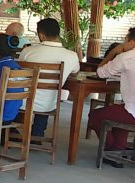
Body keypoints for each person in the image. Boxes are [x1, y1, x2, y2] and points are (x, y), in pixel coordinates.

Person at [18, 18, 79, 137]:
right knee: (46, 98)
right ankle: (37, 134)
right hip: (49, 104)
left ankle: (12, 132)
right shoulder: (72, 56)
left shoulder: (28, 51)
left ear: (41, 35)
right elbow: (75, 73)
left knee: (31, 93)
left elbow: (19, 71)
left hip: (21, 101)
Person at [88, 28, 135, 162]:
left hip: (132, 112)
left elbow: (100, 72)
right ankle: (118, 150)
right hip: (130, 110)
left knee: (95, 115)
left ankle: (111, 151)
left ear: (131, 43)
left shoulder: (126, 57)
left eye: (125, 41)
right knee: (120, 111)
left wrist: (114, 52)